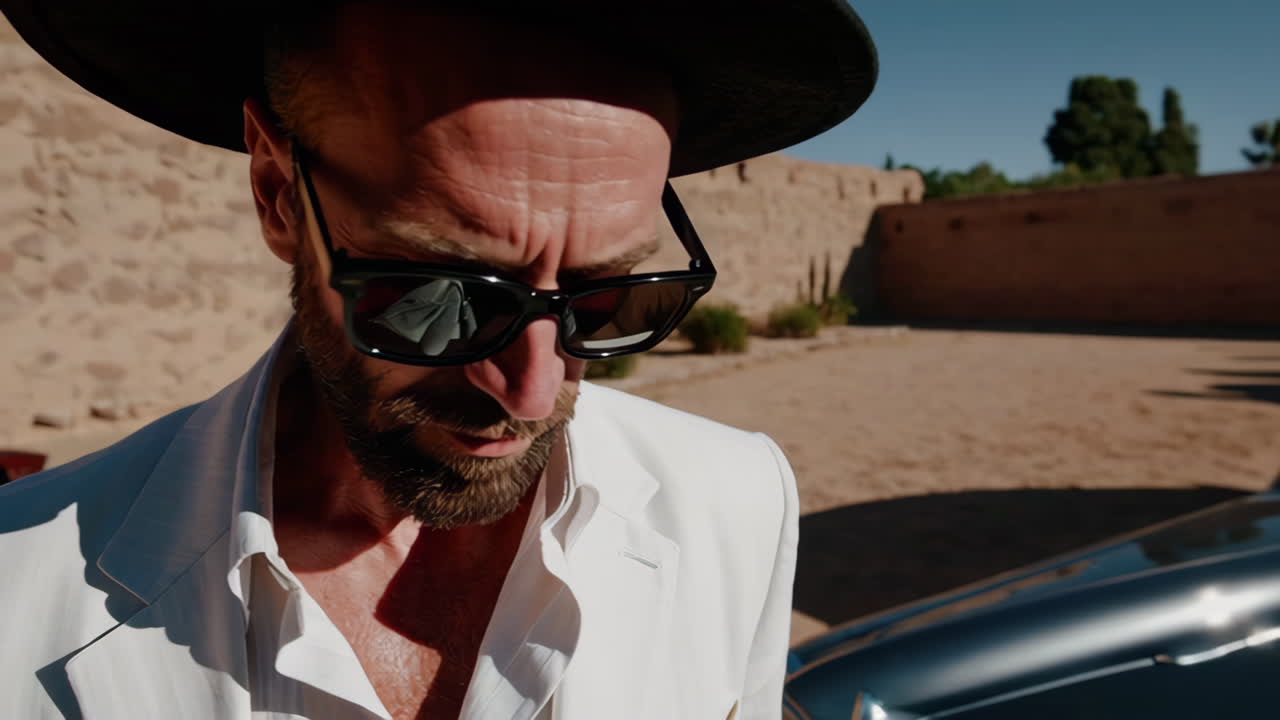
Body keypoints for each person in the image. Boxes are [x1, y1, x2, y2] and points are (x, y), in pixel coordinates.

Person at [0, 2, 877, 718]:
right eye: (441, 291)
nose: (534, 392)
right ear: (276, 192)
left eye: (605, 295)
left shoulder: (739, 501)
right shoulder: (19, 594)